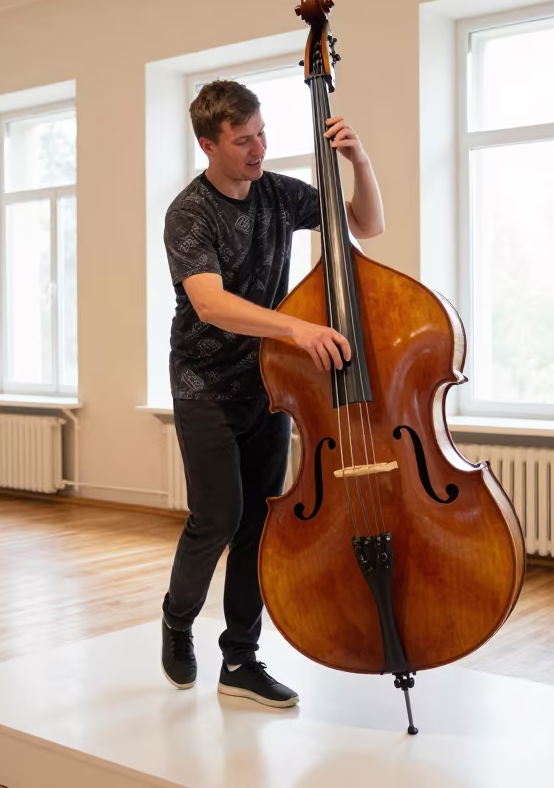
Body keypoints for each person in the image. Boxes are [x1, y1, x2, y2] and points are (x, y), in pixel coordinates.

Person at [160, 78, 385, 707]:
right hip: (204, 386)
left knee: (260, 526)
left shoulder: (280, 195)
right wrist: (297, 326)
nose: (258, 149)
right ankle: (177, 621)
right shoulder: (189, 212)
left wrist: (358, 161)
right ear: (208, 144)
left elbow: (368, 224)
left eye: (262, 134)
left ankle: (241, 661)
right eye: (242, 140)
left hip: (270, 387)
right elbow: (209, 304)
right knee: (219, 517)